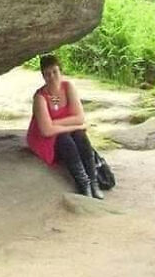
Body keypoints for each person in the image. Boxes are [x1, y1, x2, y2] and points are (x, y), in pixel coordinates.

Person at [26, 54, 104, 199]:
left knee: (81, 136)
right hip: (44, 138)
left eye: (55, 71)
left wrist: (56, 123)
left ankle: (94, 183)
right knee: (65, 139)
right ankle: (84, 184)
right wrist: (73, 126)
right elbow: (46, 130)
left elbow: (80, 117)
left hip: (61, 130)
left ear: (61, 71)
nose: (52, 76)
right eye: (47, 74)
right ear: (43, 76)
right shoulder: (40, 97)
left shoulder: (68, 87)